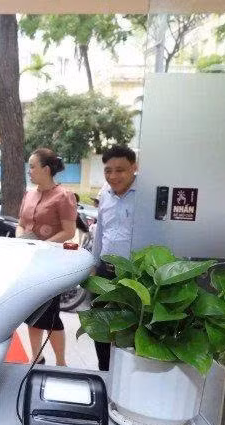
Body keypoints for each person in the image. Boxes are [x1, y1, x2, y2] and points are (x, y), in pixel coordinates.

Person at [17, 148, 77, 366]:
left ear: (46, 169)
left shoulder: (64, 196)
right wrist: (21, 240)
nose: (29, 171)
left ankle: (61, 363)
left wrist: (42, 245)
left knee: (51, 316)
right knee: (32, 313)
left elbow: (69, 231)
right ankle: (37, 358)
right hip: (29, 263)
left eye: (32, 166)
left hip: (50, 264)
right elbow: (21, 224)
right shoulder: (29, 194)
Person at [91, 145, 138, 371]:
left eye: (120, 170)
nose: (113, 176)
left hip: (133, 276)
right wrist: (93, 265)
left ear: (134, 168)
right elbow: (100, 232)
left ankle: (126, 378)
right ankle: (105, 371)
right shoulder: (105, 195)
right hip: (104, 272)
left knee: (128, 329)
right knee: (100, 326)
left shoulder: (146, 198)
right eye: (108, 171)